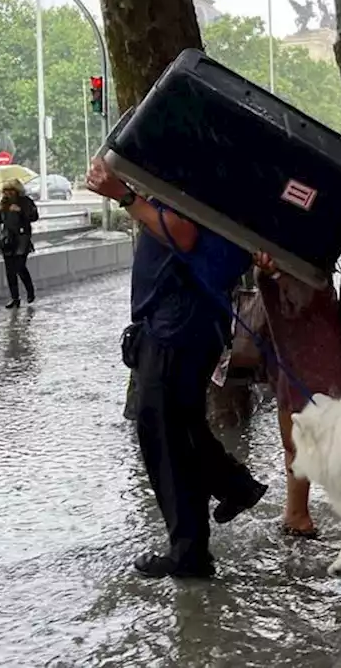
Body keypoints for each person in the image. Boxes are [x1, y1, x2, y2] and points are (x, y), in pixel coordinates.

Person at [85, 156, 267, 579]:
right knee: (180, 425)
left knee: (162, 432)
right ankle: (231, 491)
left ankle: (190, 550)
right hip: (184, 323)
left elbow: (182, 235)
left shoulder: (186, 172)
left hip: (178, 326)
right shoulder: (195, 167)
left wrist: (124, 195)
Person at [251, 255, 341, 537]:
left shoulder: (298, 253)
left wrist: (274, 274)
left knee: (322, 442)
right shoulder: (286, 244)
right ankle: (296, 514)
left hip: (311, 358)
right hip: (293, 357)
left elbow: (302, 299)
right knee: (298, 442)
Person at [0, 179, 38, 309]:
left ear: (16, 191)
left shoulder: (25, 201)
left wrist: (20, 211)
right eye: (5, 191)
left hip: (22, 238)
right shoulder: (4, 203)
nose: (7, 193)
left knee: (20, 266)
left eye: (10, 191)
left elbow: (34, 216)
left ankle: (30, 291)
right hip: (8, 239)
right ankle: (15, 298)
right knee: (9, 271)